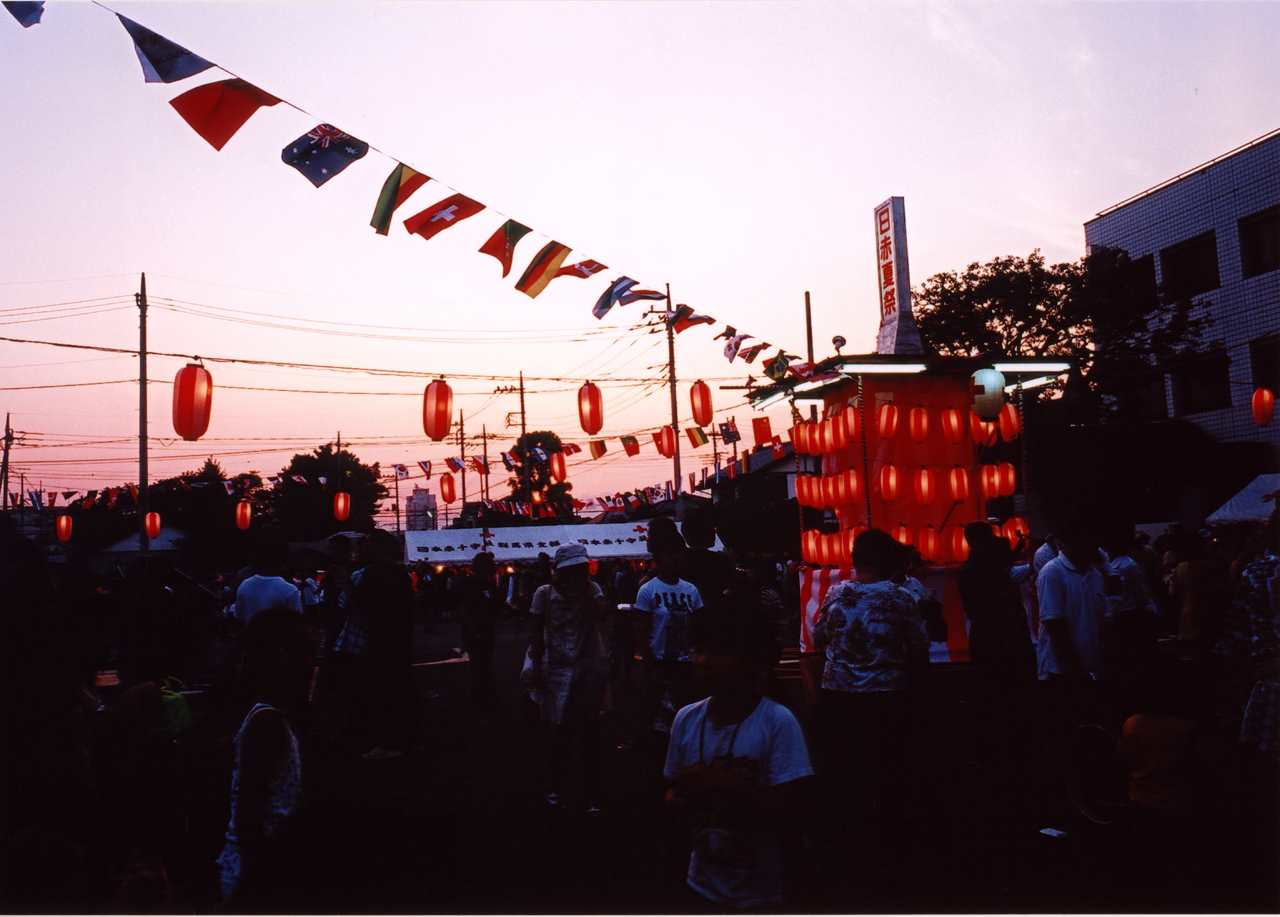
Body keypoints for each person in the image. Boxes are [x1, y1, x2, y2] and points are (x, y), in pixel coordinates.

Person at [664, 606, 813, 911]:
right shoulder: (685, 719)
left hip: (765, 892)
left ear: (751, 662)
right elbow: (670, 790)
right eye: (698, 650)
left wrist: (724, 784)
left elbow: (794, 810)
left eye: (718, 652)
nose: (703, 661)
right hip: (702, 882)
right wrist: (675, 797)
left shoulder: (777, 722)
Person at [811, 528, 928, 824]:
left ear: (855, 559)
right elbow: (919, 644)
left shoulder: (837, 592)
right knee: (887, 763)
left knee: (848, 763)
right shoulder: (900, 595)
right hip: (886, 694)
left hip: (839, 693)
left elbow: (818, 637)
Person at [217, 607, 315, 904]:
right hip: (257, 874)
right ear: (264, 659)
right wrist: (259, 884)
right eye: (295, 652)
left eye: (311, 652)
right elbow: (248, 818)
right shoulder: (266, 722)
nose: (309, 663)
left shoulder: (272, 716)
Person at [528, 543, 610, 812]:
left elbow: (601, 615)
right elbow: (536, 633)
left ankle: (591, 790)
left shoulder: (592, 590)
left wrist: (584, 591)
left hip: (589, 664)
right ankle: (554, 783)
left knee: (590, 728)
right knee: (561, 728)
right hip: (558, 665)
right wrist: (536, 667)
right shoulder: (544, 594)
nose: (576, 575)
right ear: (559, 572)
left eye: (581, 569)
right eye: (571, 570)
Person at [631, 527, 705, 752]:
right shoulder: (648, 590)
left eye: (678, 553)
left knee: (686, 718)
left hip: (685, 666)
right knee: (654, 721)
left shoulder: (691, 590)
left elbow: (699, 627)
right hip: (659, 664)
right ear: (658, 557)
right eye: (668, 553)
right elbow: (641, 632)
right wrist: (650, 667)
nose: (674, 558)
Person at [457, 553, 508, 707]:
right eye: (490, 564)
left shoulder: (489, 582)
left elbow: (495, 602)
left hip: (487, 629)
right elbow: (461, 607)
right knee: (479, 666)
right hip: (474, 631)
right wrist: (470, 628)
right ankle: (484, 700)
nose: (493, 567)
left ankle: (482, 699)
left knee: (484, 665)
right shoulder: (468, 583)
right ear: (482, 565)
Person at [233, 542, 302, 630]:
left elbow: (239, 620)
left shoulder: (245, 585)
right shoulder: (290, 590)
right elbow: (297, 624)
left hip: (252, 637)